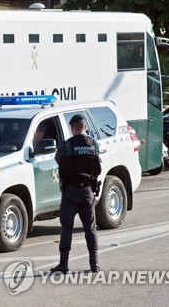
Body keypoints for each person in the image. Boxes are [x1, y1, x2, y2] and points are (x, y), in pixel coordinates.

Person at [51, 114, 102, 273]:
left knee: (66, 228)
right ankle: (94, 265)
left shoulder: (66, 145)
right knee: (90, 228)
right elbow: (98, 169)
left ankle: (64, 264)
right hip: (87, 191)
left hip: (70, 192)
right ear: (84, 127)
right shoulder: (93, 144)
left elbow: (58, 160)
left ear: (73, 128)